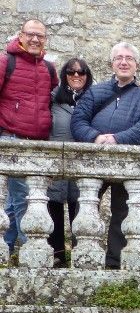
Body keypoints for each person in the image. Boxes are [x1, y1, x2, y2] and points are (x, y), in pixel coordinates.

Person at [70, 41, 140, 269]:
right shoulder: (95, 92)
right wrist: (96, 137)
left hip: (128, 161)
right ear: (112, 64)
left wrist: (116, 139)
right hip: (95, 159)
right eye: (119, 58)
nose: (124, 62)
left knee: (123, 210)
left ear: (136, 65)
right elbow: (78, 121)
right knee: (87, 205)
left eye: (129, 58)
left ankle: (114, 261)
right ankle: (83, 256)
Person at [1, 19, 58, 252]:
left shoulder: (48, 68)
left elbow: (50, 97)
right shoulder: (6, 62)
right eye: (30, 34)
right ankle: (30, 250)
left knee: (17, 200)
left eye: (40, 36)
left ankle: (6, 246)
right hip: (11, 138)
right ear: (21, 36)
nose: (35, 39)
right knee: (25, 197)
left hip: (37, 142)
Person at [46, 58, 93, 267]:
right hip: (54, 161)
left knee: (80, 209)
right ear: (64, 75)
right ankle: (57, 255)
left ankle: (78, 254)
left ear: (87, 76)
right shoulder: (53, 98)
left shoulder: (94, 99)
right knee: (53, 208)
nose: (76, 76)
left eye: (81, 72)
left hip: (82, 164)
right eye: (72, 72)